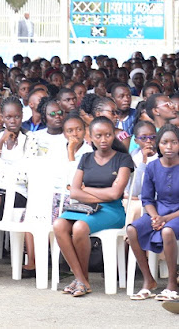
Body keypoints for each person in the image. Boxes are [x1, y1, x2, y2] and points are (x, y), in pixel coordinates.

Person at [53, 117, 133, 297]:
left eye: (108, 135)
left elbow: (115, 194)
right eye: (99, 135)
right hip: (85, 208)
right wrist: (92, 193)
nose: (103, 139)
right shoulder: (86, 158)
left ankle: (81, 280)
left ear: (114, 136)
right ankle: (81, 279)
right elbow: (74, 192)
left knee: (80, 227)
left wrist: (86, 189)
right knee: (59, 225)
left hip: (112, 210)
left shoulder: (123, 159)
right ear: (91, 137)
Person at [127, 124, 179, 301]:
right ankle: (148, 280)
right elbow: (147, 199)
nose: (169, 147)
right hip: (158, 210)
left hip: (176, 214)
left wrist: (165, 219)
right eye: (165, 142)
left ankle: (172, 283)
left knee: (167, 230)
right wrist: (155, 216)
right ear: (159, 145)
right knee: (132, 229)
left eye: (174, 142)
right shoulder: (152, 166)